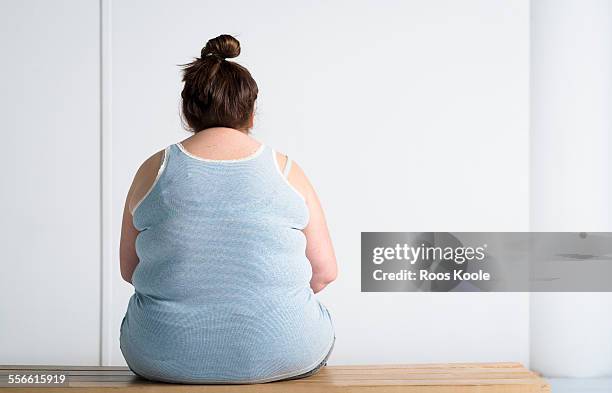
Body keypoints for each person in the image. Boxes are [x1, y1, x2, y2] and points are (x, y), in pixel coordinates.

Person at [118, 34, 337, 384]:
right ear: (251, 112)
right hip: (288, 350)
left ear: (187, 110)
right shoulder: (288, 171)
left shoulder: (152, 170)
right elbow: (324, 273)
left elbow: (130, 271)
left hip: (158, 355)